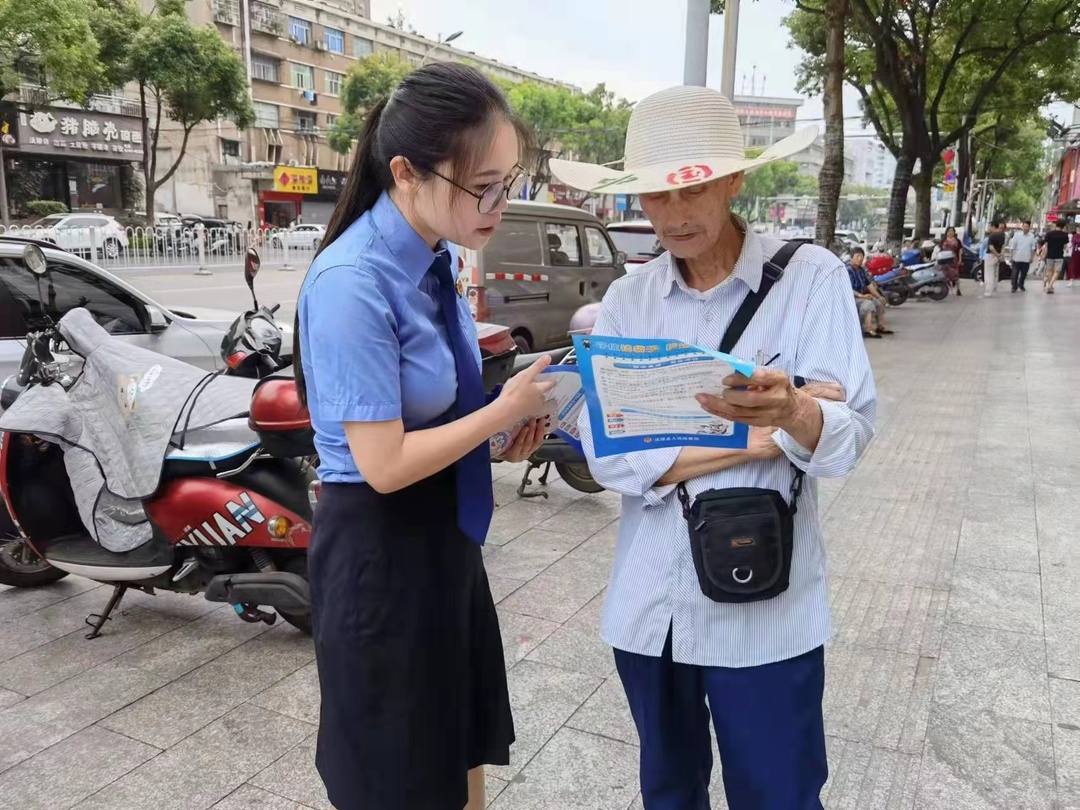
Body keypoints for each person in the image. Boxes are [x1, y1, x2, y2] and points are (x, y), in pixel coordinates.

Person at [548, 86, 877, 810]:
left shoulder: (809, 277)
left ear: (734, 180)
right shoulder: (630, 300)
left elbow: (846, 437)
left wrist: (792, 408)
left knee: (779, 795)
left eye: (691, 188)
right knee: (668, 793)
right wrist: (760, 435)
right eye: (655, 196)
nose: (674, 214)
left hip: (765, 608)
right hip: (650, 606)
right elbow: (612, 460)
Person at [293, 63, 556, 810]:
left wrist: (505, 436)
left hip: (445, 543)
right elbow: (381, 464)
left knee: (455, 756)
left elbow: (439, 419)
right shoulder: (355, 281)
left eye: (509, 185)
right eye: (483, 188)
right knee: (400, 776)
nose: (499, 207)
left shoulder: (435, 262)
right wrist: (500, 414)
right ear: (404, 172)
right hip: (381, 552)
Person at [846, 247, 892, 338]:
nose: (860, 258)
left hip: (861, 295)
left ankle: (880, 327)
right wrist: (861, 296)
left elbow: (868, 285)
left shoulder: (861, 270)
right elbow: (847, 288)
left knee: (879, 303)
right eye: (857, 256)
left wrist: (879, 296)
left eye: (861, 256)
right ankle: (868, 329)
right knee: (868, 303)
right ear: (851, 257)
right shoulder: (847, 270)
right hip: (851, 297)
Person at [1041, 219, 1070, 294]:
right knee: (1057, 271)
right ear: (1063, 226)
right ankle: (1050, 286)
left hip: (1050, 255)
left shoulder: (1049, 234)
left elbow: (1046, 245)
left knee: (1050, 271)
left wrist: (1043, 255)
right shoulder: (1065, 235)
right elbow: (1065, 246)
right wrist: (1066, 249)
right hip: (1059, 255)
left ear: (1056, 225)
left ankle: (1050, 286)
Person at [1008, 220, 1037, 292]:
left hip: (1026, 259)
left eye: (1027, 227)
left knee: (1023, 274)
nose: (1025, 228)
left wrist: (1032, 257)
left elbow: (1032, 248)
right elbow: (1012, 246)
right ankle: (1014, 286)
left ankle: (1021, 284)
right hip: (1016, 258)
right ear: (1022, 226)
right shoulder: (1017, 235)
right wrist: (1011, 256)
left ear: (1029, 228)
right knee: (1014, 274)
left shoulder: (1032, 236)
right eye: (1024, 226)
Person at [983, 221, 1005, 297]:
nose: (988, 228)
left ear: (993, 226)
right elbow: (1003, 246)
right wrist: (999, 255)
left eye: (989, 226)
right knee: (995, 274)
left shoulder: (991, 236)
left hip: (991, 256)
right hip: (997, 257)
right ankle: (995, 289)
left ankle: (988, 291)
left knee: (989, 274)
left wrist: (996, 254)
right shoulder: (1002, 235)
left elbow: (991, 248)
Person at [940, 226, 964, 295]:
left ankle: (958, 289)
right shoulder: (943, 240)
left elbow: (960, 250)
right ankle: (945, 289)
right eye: (949, 231)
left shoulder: (957, 240)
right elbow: (940, 249)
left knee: (955, 275)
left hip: (953, 260)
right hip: (944, 259)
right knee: (944, 274)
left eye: (952, 231)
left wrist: (960, 259)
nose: (950, 233)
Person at [1067, 222, 1080, 287]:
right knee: (1072, 267)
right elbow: (1071, 243)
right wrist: (1067, 247)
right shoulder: (1074, 236)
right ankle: (1071, 280)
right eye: (1078, 228)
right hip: (1074, 254)